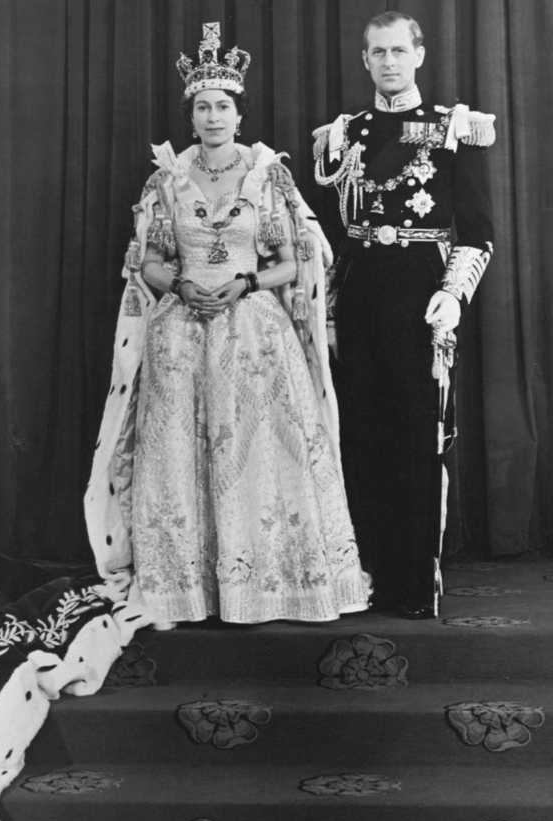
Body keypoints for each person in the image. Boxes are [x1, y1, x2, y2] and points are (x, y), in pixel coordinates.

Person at [85, 23, 371, 627]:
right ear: (191, 118)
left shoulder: (270, 177)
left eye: (222, 106)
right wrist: (180, 285)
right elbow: (150, 260)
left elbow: (293, 262)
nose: (213, 116)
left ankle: (273, 583)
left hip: (254, 333)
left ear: (239, 115)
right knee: (181, 455)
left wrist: (245, 282)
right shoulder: (164, 181)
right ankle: (187, 588)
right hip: (180, 334)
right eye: (202, 107)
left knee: (261, 452)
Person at [313, 11, 495, 619]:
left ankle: (412, 584)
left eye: (398, 50)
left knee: (417, 438)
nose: (388, 62)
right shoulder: (346, 134)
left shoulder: (454, 129)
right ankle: (361, 576)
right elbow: (336, 236)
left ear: (419, 55)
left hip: (422, 293)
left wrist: (454, 292)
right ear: (364, 60)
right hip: (361, 293)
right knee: (359, 436)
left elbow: (476, 231)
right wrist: (331, 309)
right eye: (377, 52)